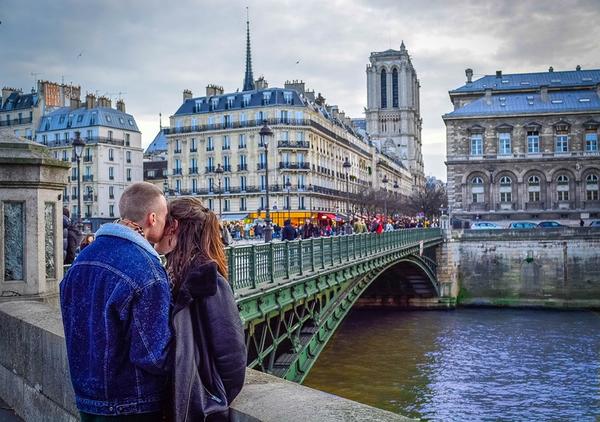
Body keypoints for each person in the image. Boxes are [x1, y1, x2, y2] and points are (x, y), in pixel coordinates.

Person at [60, 182, 172, 421]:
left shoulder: (82, 259)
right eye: (165, 217)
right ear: (152, 218)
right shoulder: (147, 270)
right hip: (132, 404)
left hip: (87, 398)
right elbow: (153, 355)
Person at [156, 197, 246, 421]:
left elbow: (233, 359)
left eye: (162, 220)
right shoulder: (172, 272)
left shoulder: (207, 279)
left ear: (173, 226)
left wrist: (209, 400)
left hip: (197, 410)